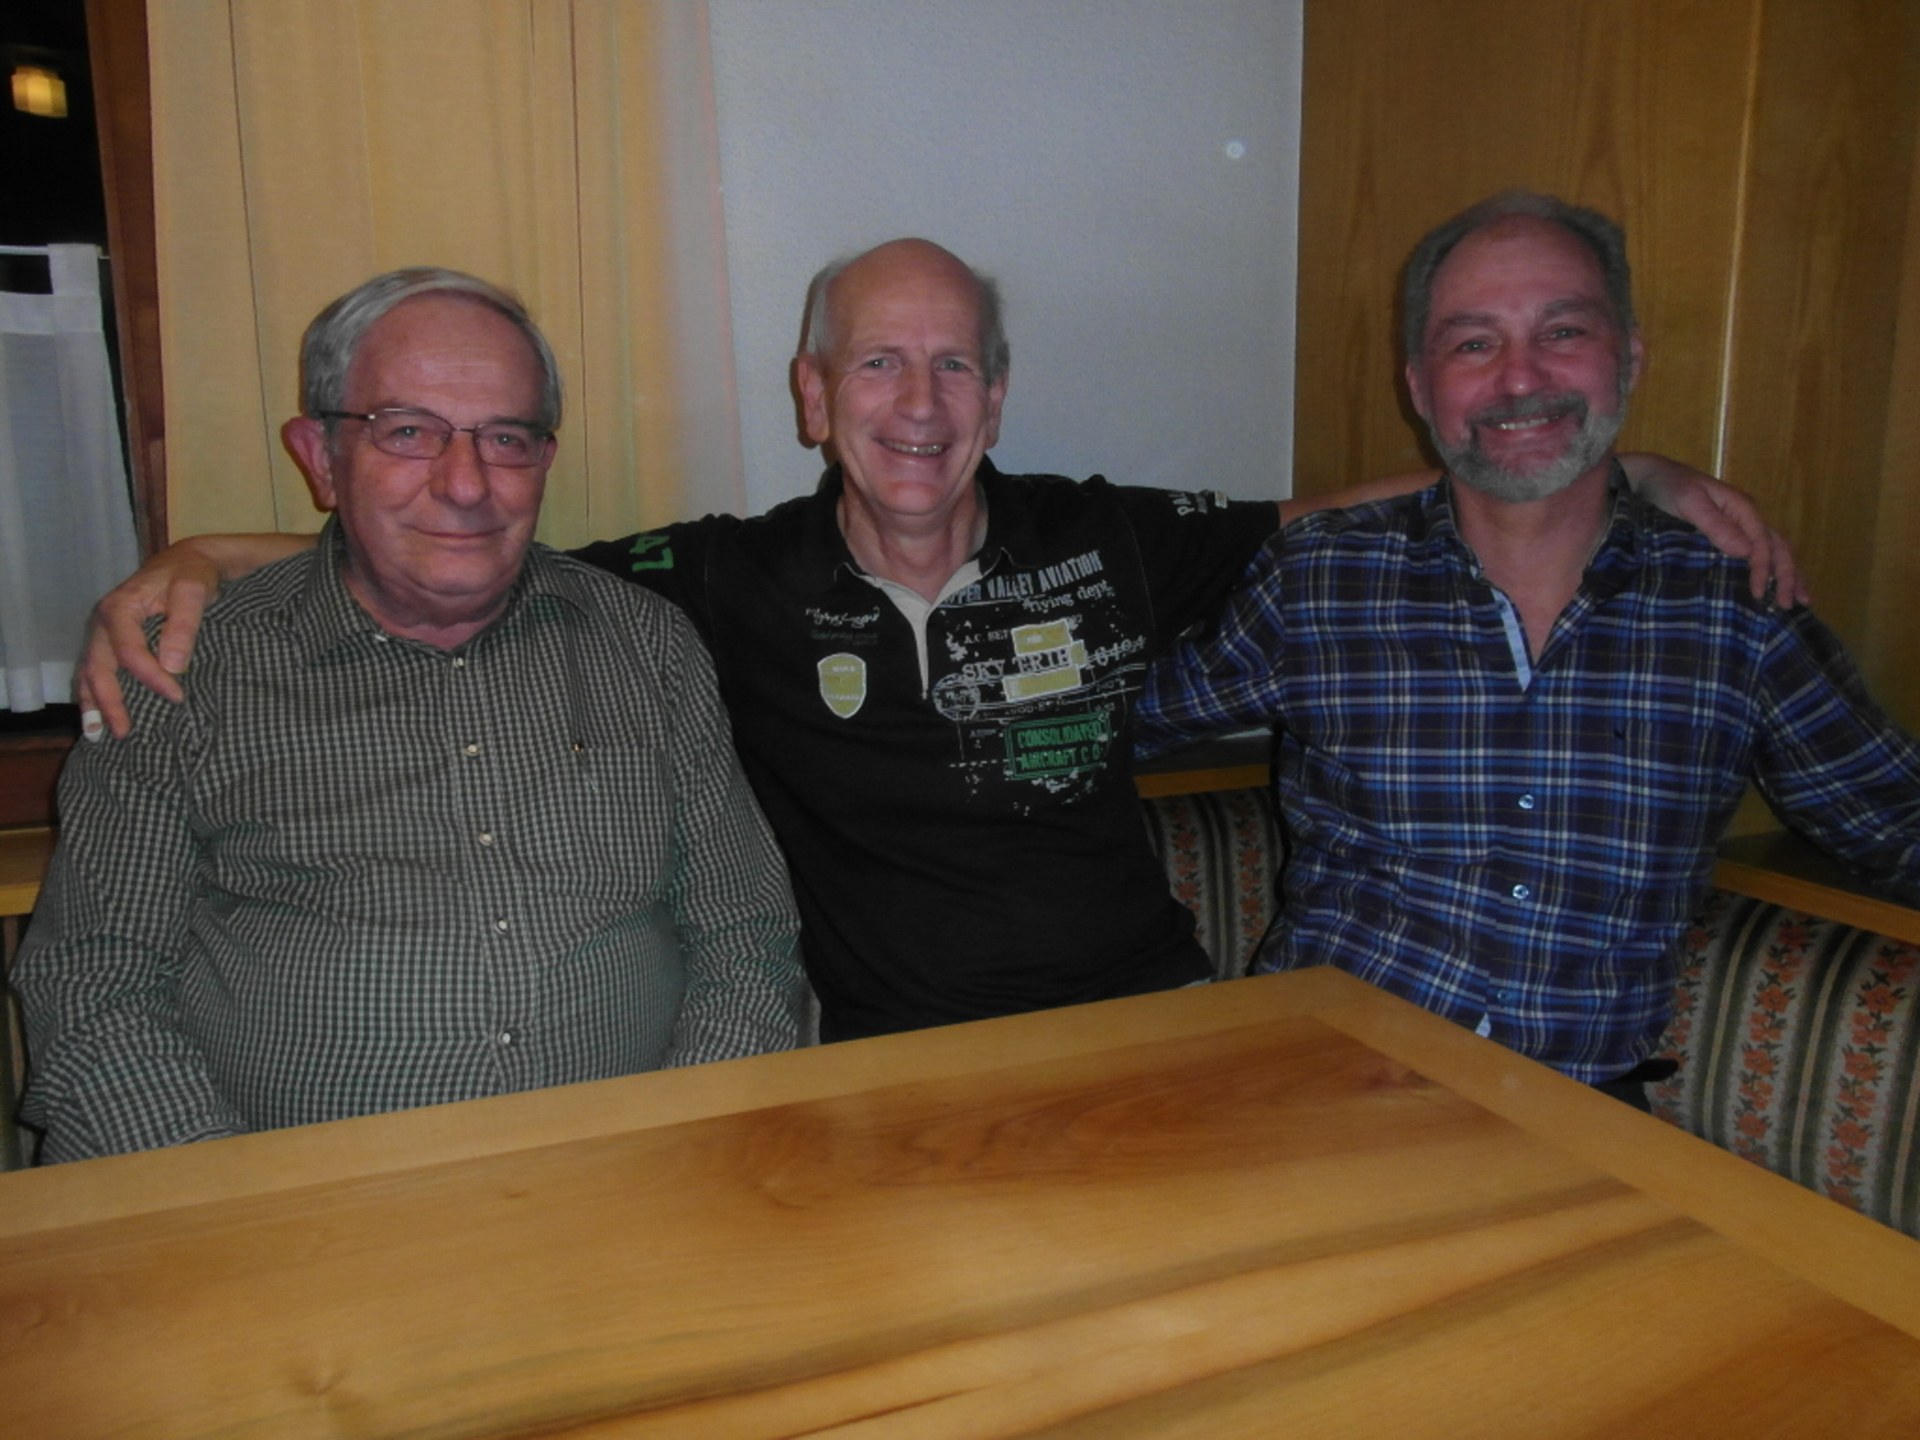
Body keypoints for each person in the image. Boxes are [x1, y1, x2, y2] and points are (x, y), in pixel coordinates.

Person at [75, 239, 1793, 1043]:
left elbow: (1348, 513)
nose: (919, 401)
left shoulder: (1107, 538)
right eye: (878, 364)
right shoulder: (725, 577)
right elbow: (474, 532)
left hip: (1155, 1028)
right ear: (814, 395)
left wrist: (1613, 465)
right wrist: (209, 553)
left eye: (955, 361)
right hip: (891, 1067)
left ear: (999, 393)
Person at [1136, 192, 1920, 1106]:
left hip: (1577, 1111)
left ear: (1629, 359)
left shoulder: (1731, 607)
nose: (1519, 378)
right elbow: (1109, 730)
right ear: (1420, 388)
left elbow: (1891, 819)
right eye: (1474, 343)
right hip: (1321, 1080)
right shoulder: (1320, 578)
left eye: (1563, 332)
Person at [15, 269, 803, 1162]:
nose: (465, 484)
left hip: (635, 1178)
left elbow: (745, 936)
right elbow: (93, 983)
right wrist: (235, 1204)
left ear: (544, 459)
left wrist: (688, 1145)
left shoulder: (646, 645)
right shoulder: (183, 669)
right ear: (321, 457)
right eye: (407, 432)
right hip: (292, 1206)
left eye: (504, 438)